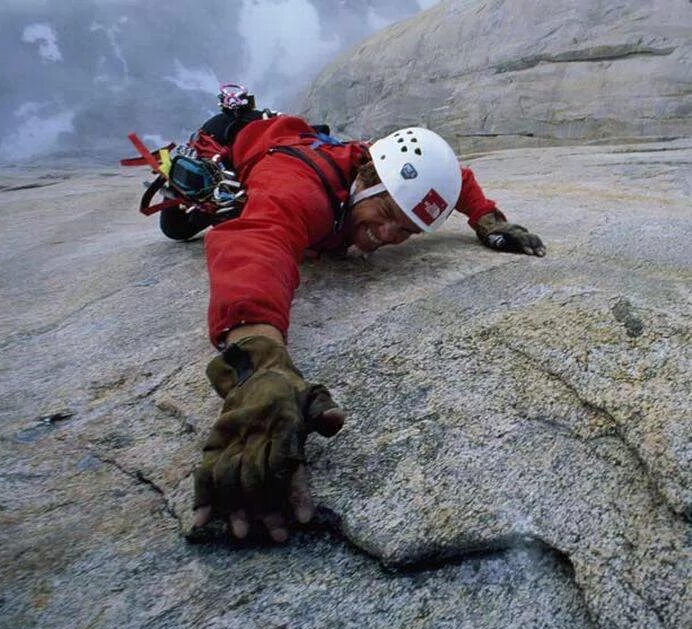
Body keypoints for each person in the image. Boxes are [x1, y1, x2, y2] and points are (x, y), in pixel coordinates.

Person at [185, 87, 546, 544]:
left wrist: (488, 220)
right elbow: (258, 242)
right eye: (388, 213)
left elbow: (455, 178)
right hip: (258, 145)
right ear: (366, 177)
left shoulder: (380, 169)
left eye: (409, 230)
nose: (389, 236)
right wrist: (258, 359)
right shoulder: (298, 189)